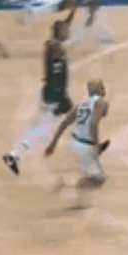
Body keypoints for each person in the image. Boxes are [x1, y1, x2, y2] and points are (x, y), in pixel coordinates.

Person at [4, 8, 77, 175]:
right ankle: (14, 156)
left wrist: (72, 13)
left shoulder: (56, 44)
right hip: (54, 94)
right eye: (66, 30)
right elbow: (56, 71)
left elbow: (63, 28)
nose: (69, 32)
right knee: (42, 132)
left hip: (54, 93)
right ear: (59, 32)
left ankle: (14, 155)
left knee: (64, 122)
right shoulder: (54, 46)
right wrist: (61, 97)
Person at [45, 79, 110, 209]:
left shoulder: (82, 103)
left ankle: (80, 202)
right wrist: (96, 146)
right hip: (85, 146)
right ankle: (67, 183)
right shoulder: (102, 103)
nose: (104, 89)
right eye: (101, 87)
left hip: (74, 142)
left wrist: (53, 144)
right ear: (96, 90)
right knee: (99, 179)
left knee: (88, 175)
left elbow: (65, 123)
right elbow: (93, 124)